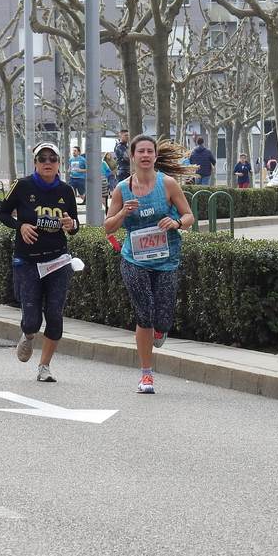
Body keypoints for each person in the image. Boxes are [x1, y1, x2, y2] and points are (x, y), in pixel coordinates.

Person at [104, 135, 195, 394]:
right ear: (132, 156)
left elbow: (189, 216)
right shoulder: (122, 188)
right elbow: (107, 226)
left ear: (155, 156)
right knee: (144, 314)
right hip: (135, 259)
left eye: (149, 151)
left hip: (166, 260)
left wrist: (176, 223)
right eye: (140, 151)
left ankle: (160, 330)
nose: (145, 155)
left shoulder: (167, 184)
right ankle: (146, 375)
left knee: (162, 319)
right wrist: (123, 213)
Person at [0, 141, 79, 383]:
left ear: (59, 164)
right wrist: (20, 225)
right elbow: (2, 213)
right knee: (32, 319)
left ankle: (45, 366)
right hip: (28, 261)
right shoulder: (22, 186)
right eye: (42, 159)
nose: (47, 163)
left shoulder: (65, 191)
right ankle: (28, 333)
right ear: (35, 163)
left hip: (58, 261)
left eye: (52, 159)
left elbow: (74, 225)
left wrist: (71, 225)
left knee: (55, 315)